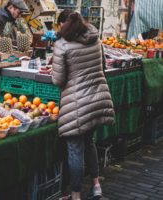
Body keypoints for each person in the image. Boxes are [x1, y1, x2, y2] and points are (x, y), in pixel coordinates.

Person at [52, 11, 115, 200]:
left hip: (77, 104)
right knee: (89, 143)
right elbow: (102, 66)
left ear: (65, 26)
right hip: (97, 99)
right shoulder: (96, 40)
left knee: (75, 149)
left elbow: (58, 79)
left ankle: (75, 194)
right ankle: (96, 186)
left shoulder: (62, 46)